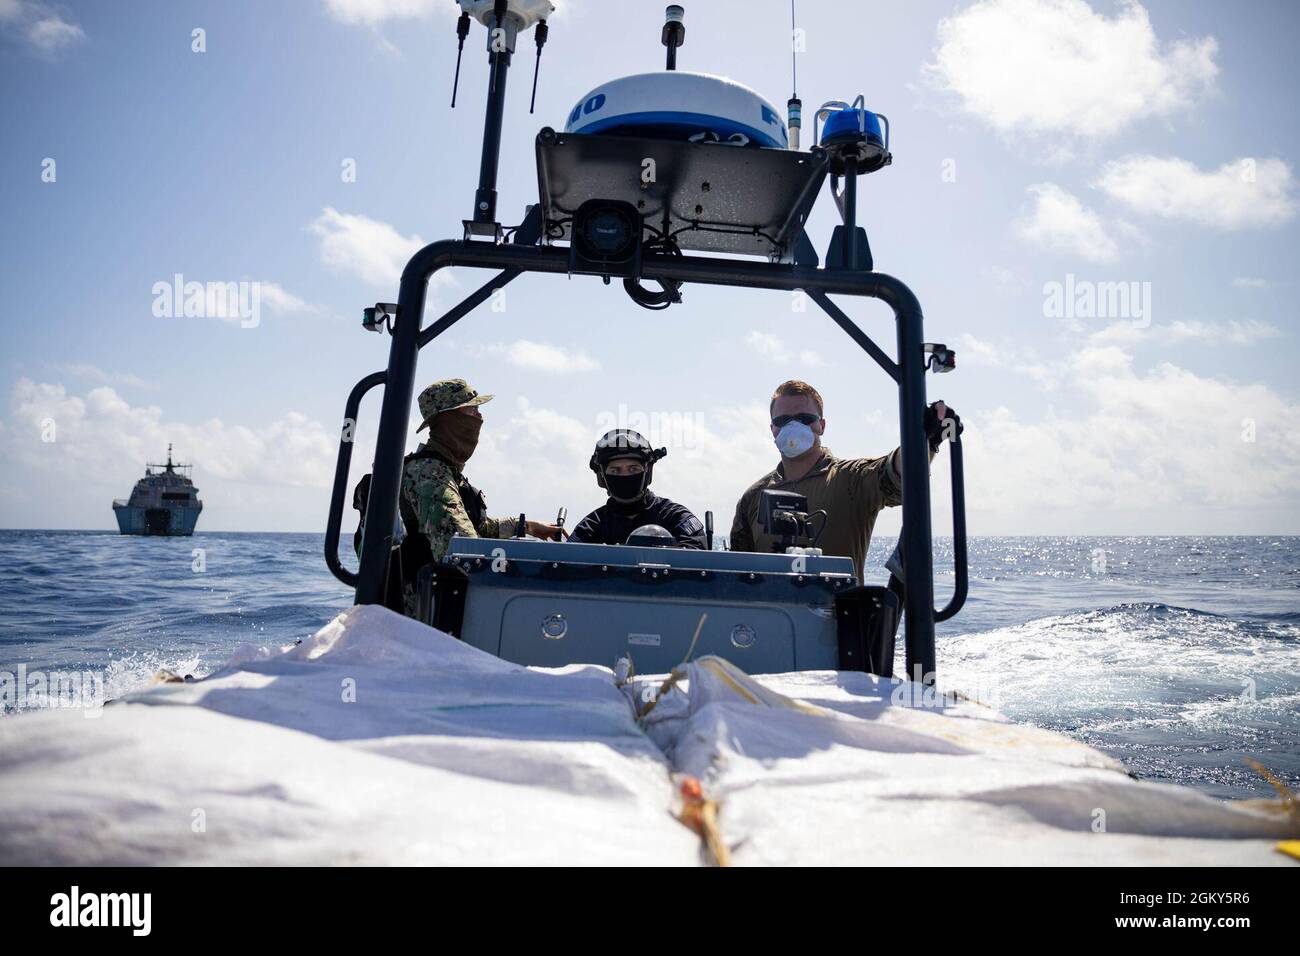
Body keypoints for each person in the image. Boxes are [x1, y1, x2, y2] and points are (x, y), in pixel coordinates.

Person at [355, 378, 562, 618]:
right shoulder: (430, 475)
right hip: (423, 618)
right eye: (471, 410)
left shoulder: (443, 471)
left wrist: (526, 527)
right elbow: (463, 547)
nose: (480, 417)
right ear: (449, 419)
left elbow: (475, 528)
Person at [729, 379, 960, 579]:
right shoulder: (753, 498)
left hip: (838, 627)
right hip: (769, 626)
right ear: (772, 429)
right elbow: (735, 575)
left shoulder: (852, 479)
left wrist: (925, 441)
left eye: (804, 418)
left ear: (821, 425)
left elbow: (894, 472)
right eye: (783, 421)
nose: (793, 426)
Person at [569, 428, 706, 548]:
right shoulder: (591, 526)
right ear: (603, 476)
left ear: (647, 472)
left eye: (633, 469)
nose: (625, 475)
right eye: (615, 470)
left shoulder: (676, 517)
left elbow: (696, 554)